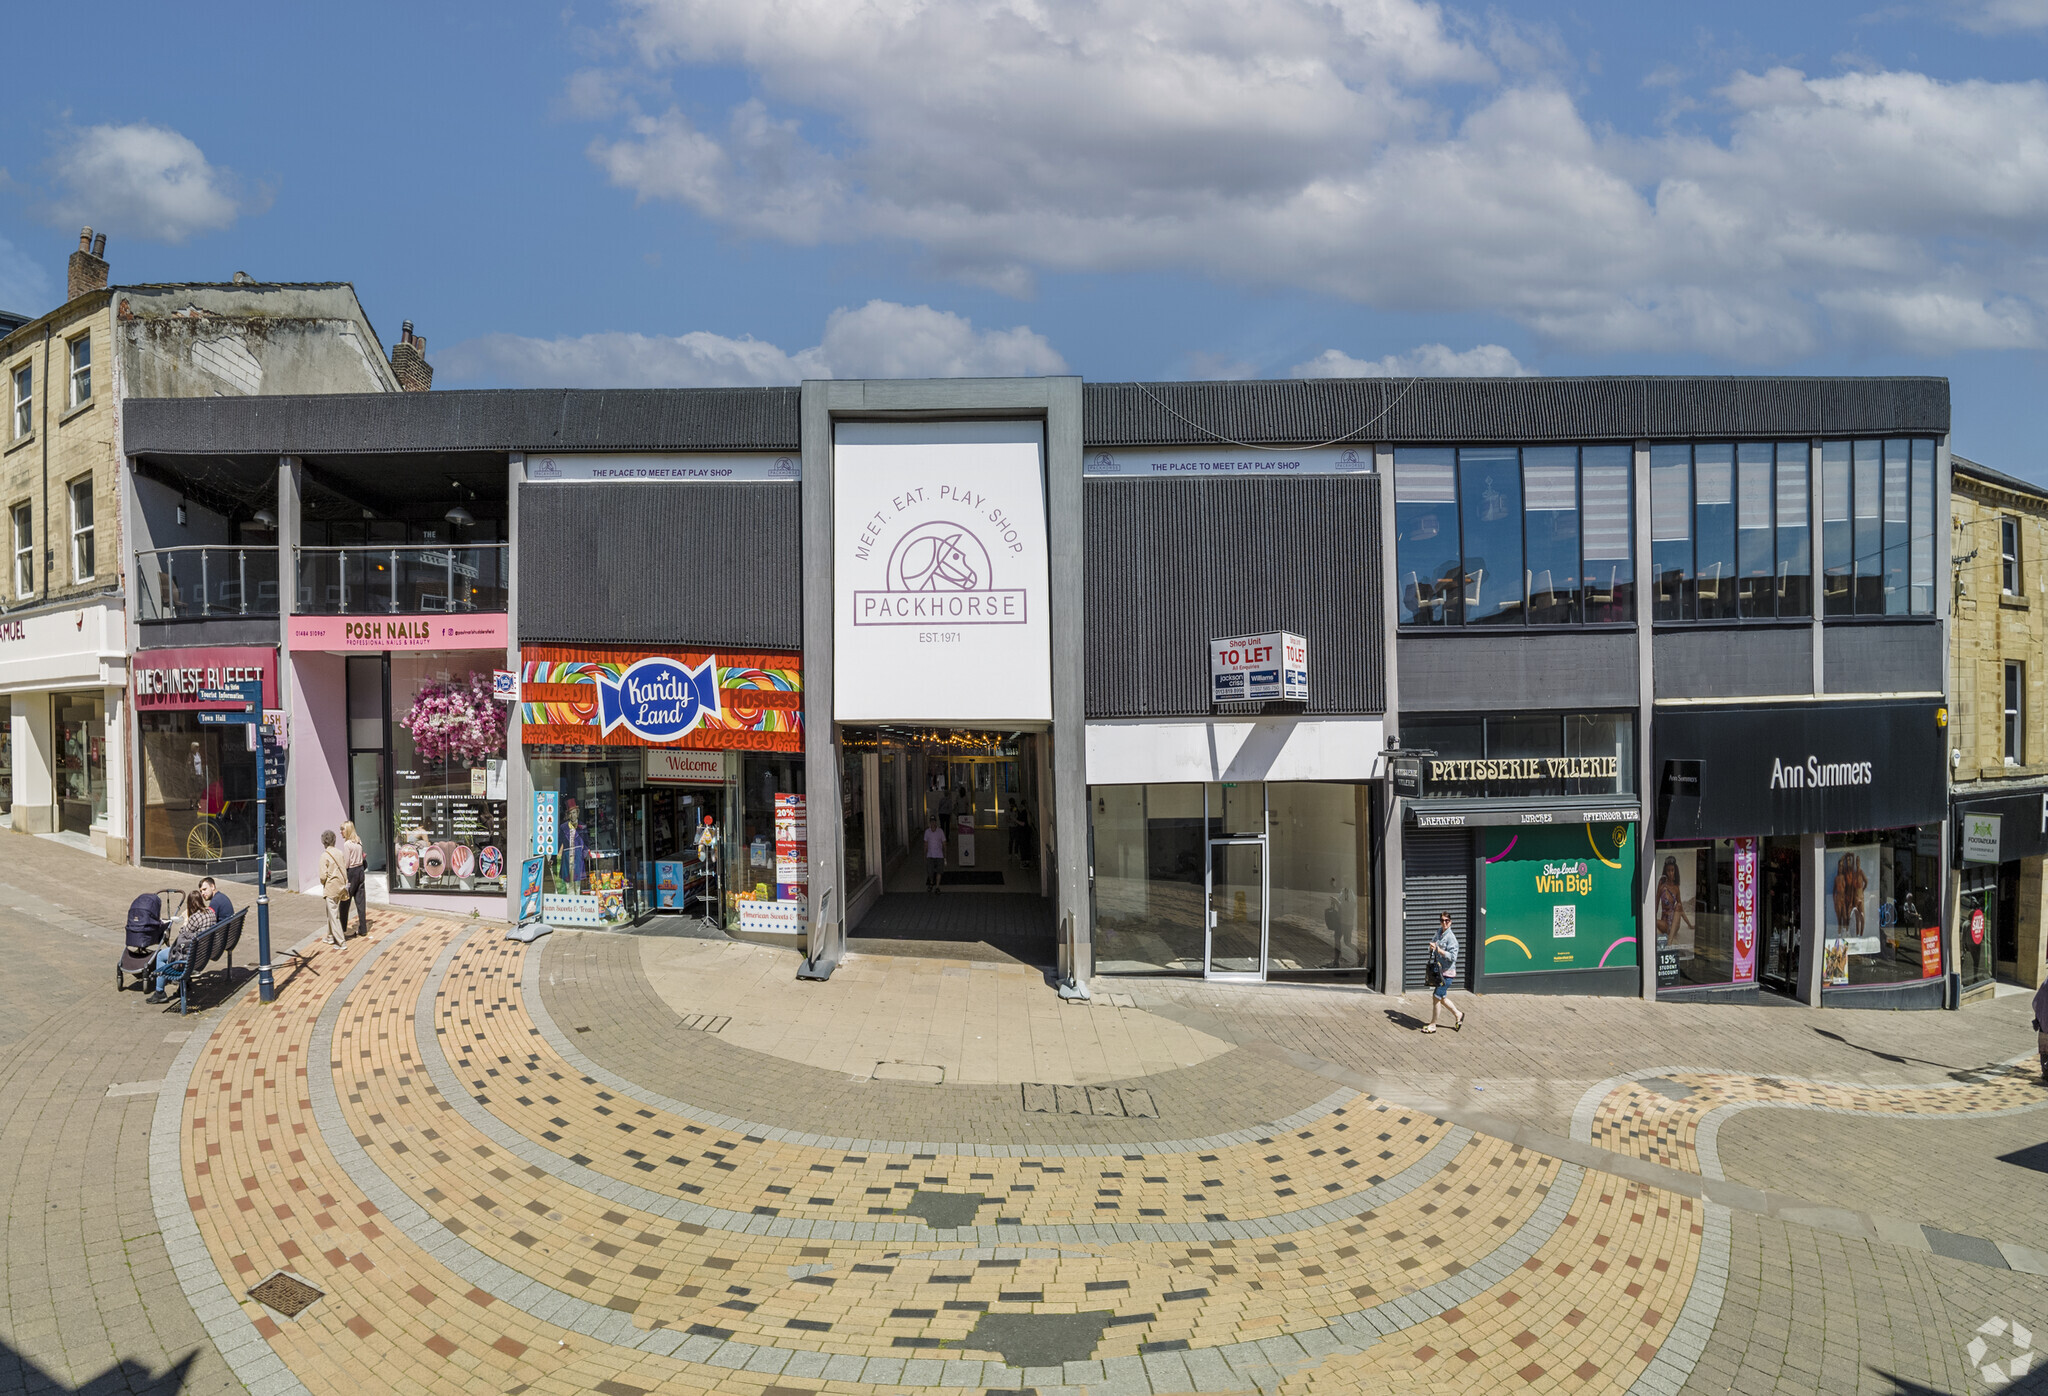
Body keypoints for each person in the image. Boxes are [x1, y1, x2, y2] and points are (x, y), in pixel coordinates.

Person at [146, 890, 217, 1004]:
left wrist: (184, 924)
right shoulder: (211, 913)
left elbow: (182, 938)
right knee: (182, 951)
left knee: (160, 956)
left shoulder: (195, 917)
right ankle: (185, 985)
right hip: (202, 955)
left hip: (191, 959)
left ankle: (159, 992)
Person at [1422, 910, 1465, 1033]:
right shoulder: (1439, 932)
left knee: (1436, 997)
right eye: (1442, 920)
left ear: (1450, 922)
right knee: (1442, 997)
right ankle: (1458, 1014)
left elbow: (1453, 957)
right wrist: (1431, 947)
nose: (1444, 923)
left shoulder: (1451, 938)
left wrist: (1440, 951)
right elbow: (1432, 946)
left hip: (1447, 974)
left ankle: (1433, 1025)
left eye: (1447, 921)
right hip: (1439, 972)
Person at [318, 830, 349, 949]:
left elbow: (322, 876)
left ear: (323, 842)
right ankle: (330, 937)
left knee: (333, 914)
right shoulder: (339, 852)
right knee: (331, 912)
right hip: (341, 886)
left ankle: (341, 942)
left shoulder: (324, 855)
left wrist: (324, 883)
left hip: (331, 887)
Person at [338, 820, 368, 938]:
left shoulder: (347, 844)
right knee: (360, 902)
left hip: (351, 873)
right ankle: (363, 928)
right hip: (360, 871)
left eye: (342, 829)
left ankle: (342, 927)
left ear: (348, 830)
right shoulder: (358, 840)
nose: (341, 832)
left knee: (345, 901)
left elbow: (346, 863)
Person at [923, 816, 947, 894]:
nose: (933, 823)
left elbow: (944, 843)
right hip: (930, 855)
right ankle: (931, 882)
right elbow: (925, 844)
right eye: (931, 821)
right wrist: (925, 854)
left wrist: (945, 854)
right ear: (930, 822)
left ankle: (937, 886)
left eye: (934, 821)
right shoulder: (927, 832)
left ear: (936, 822)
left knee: (939, 871)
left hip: (939, 855)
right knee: (930, 871)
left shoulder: (940, 831)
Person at [2034, 978, 2048, 1085]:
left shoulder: (2045, 984)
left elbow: (2036, 1002)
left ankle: (2045, 1072)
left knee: (2044, 1049)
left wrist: (2038, 1018)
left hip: (2044, 1022)